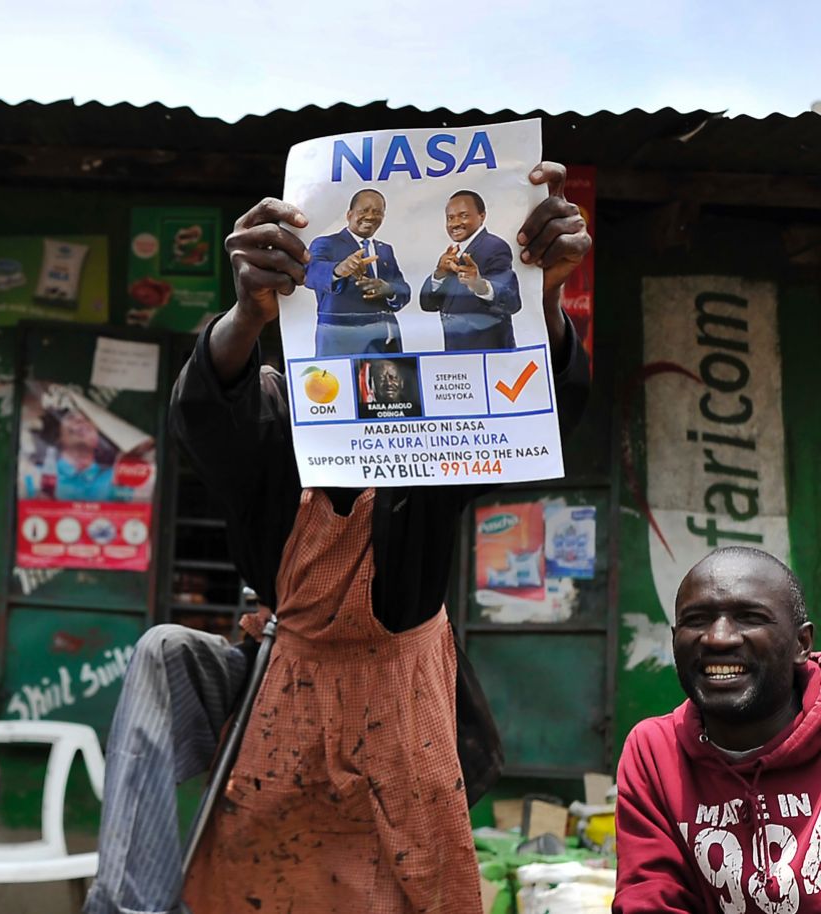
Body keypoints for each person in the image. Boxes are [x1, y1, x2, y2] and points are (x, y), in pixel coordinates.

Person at [84, 162, 591, 914]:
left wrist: (540, 294)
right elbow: (203, 414)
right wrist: (246, 316)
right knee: (254, 861)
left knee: (401, 885)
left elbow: (542, 415)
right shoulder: (275, 422)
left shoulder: (438, 439)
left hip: (402, 714)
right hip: (282, 711)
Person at [614, 547, 821, 913]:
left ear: (801, 644)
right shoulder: (655, 752)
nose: (718, 638)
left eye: (749, 617)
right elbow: (650, 900)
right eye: (697, 620)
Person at [307, 188, 411, 355]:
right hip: (341, 345)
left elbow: (403, 289)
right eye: (364, 211)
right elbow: (310, 274)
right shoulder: (326, 243)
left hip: (386, 345)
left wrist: (388, 289)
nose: (370, 216)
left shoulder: (385, 250)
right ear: (349, 214)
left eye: (377, 212)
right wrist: (339, 269)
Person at [420, 189, 523, 350]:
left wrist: (480, 285)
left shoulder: (494, 246)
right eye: (450, 218)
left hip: (489, 355)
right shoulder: (453, 254)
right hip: (457, 355)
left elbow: (512, 302)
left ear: (482, 216)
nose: (455, 223)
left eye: (463, 215)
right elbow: (427, 304)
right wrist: (439, 274)